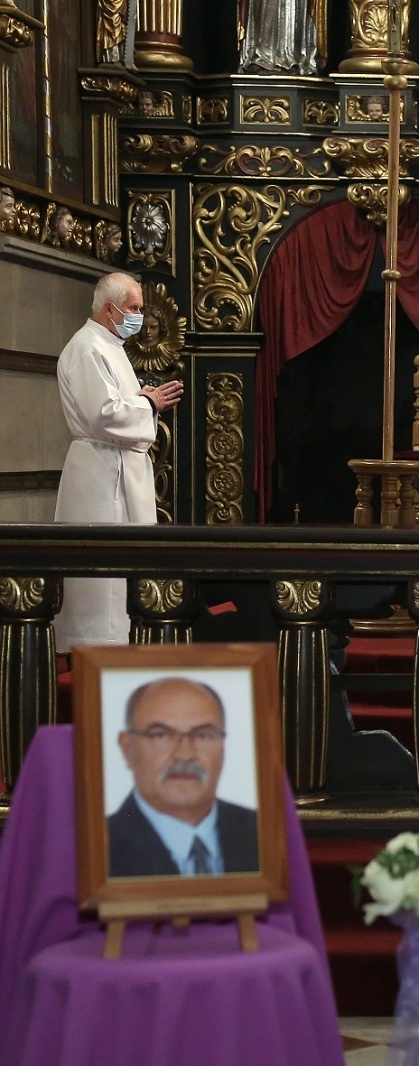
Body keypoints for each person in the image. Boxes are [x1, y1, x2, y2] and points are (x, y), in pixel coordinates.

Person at [54, 273, 183, 650]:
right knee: (101, 583)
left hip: (117, 464)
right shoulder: (88, 348)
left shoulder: (110, 345)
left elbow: (118, 405)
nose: (139, 317)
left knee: (123, 578)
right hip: (102, 473)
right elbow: (103, 414)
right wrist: (147, 402)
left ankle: (120, 649)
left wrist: (142, 399)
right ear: (110, 309)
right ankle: (95, 656)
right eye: (134, 308)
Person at [108, 676, 259, 877]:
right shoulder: (98, 846)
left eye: (203, 735)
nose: (184, 755)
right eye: (160, 735)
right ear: (127, 748)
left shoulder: (263, 833)